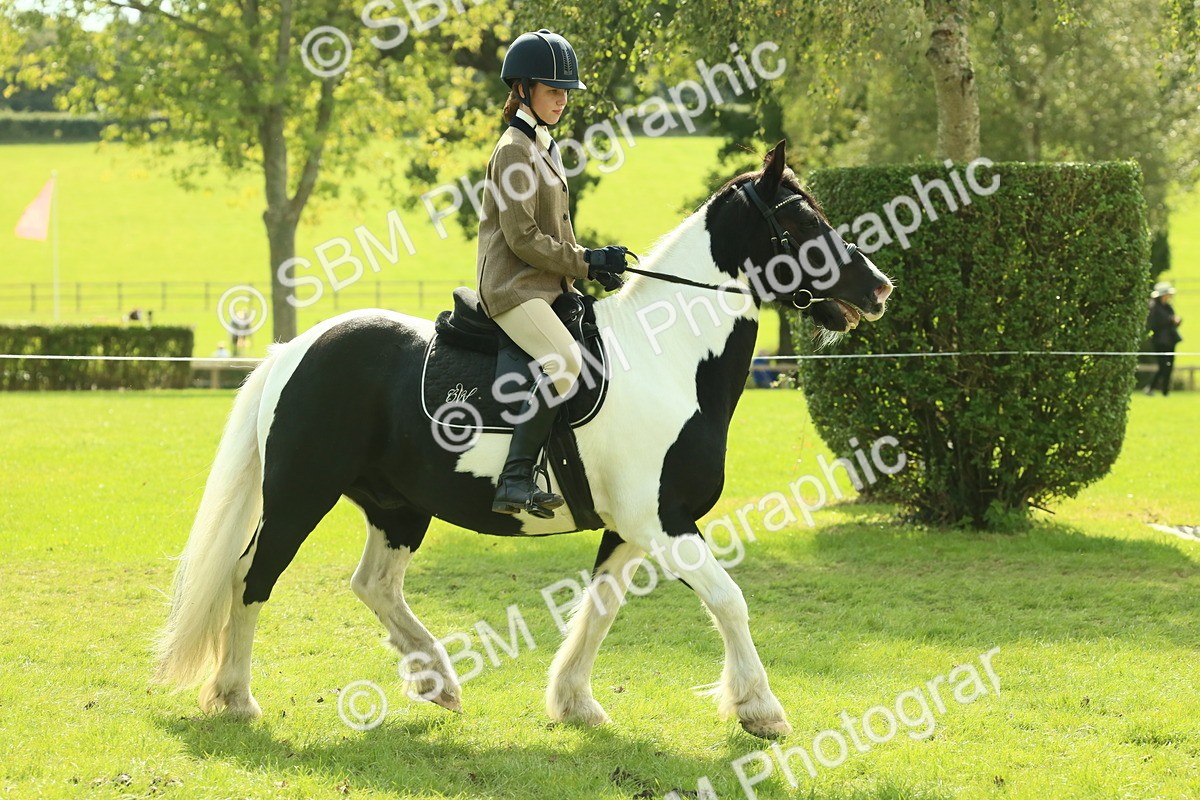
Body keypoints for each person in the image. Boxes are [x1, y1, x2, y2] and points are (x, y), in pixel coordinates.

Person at [477, 29, 629, 518]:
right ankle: (514, 480)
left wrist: (595, 265)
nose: (562, 100)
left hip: (545, 288)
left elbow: (555, 232)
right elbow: (522, 239)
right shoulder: (514, 150)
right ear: (523, 90)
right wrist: (585, 262)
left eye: (565, 92)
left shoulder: (546, 146)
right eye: (552, 90)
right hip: (513, 289)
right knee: (565, 362)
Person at [1145, 281, 1183, 396]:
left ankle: (1165, 391)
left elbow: (1172, 321)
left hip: (1170, 340)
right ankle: (1151, 388)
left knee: (1169, 366)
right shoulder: (1154, 307)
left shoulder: (1168, 307)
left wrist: (1176, 321)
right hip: (1159, 341)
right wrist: (1170, 320)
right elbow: (1155, 323)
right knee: (1162, 366)